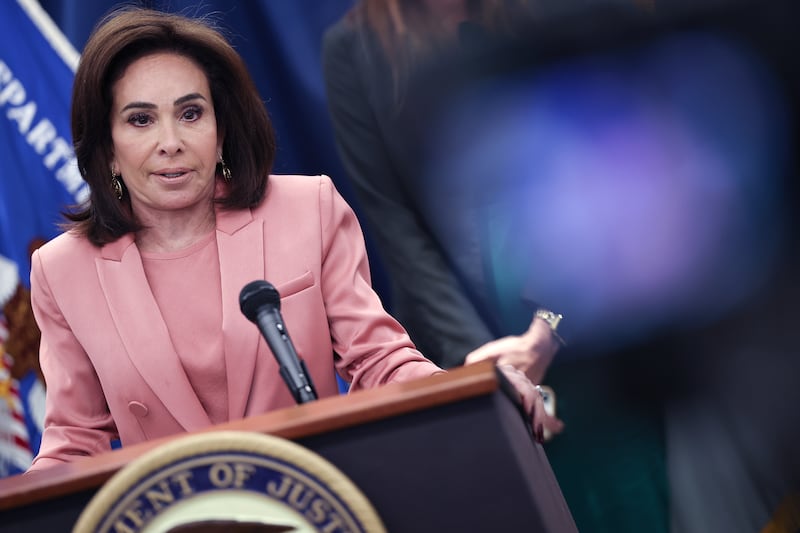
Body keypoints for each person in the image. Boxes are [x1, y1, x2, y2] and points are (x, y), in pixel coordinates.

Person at [26, 7, 549, 471]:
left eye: (191, 114)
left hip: (312, 502)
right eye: (140, 120)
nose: (170, 143)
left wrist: (469, 390)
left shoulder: (306, 209)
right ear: (107, 146)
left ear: (221, 128)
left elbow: (378, 360)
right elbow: (74, 441)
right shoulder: (62, 270)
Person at [322, 1, 669, 531]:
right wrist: (484, 364)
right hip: (465, 339)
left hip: (588, 318)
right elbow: (393, 221)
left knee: (636, 500)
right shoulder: (352, 46)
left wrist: (550, 330)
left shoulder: (540, 11)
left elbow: (604, 170)